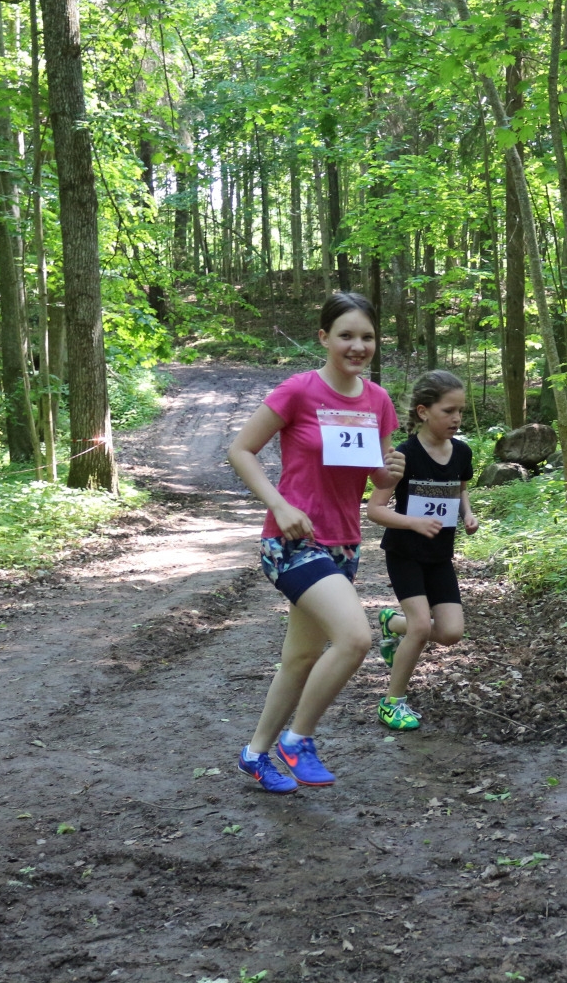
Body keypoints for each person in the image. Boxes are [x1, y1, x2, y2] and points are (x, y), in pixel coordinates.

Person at [227, 292, 403, 792]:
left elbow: (376, 478)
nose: (358, 346)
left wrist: (390, 472)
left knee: (301, 658)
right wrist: (279, 503)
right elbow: (240, 450)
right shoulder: (298, 391)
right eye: (346, 335)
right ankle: (298, 740)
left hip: (344, 544)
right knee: (355, 638)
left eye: (367, 337)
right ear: (324, 338)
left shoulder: (378, 400)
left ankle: (255, 753)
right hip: (291, 540)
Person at [366, 370, 478, 730]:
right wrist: (413, 522)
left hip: (439, 555)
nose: (457, 418)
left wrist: (468, 513)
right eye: (448, 411)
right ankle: (392, 702)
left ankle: (390, 622)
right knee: (419, 627)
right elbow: (375, 509)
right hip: (405, 552)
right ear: (423, 411)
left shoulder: (461, 451)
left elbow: (459, 489)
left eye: (460, 410)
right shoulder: (404, 454)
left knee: (450, 633)